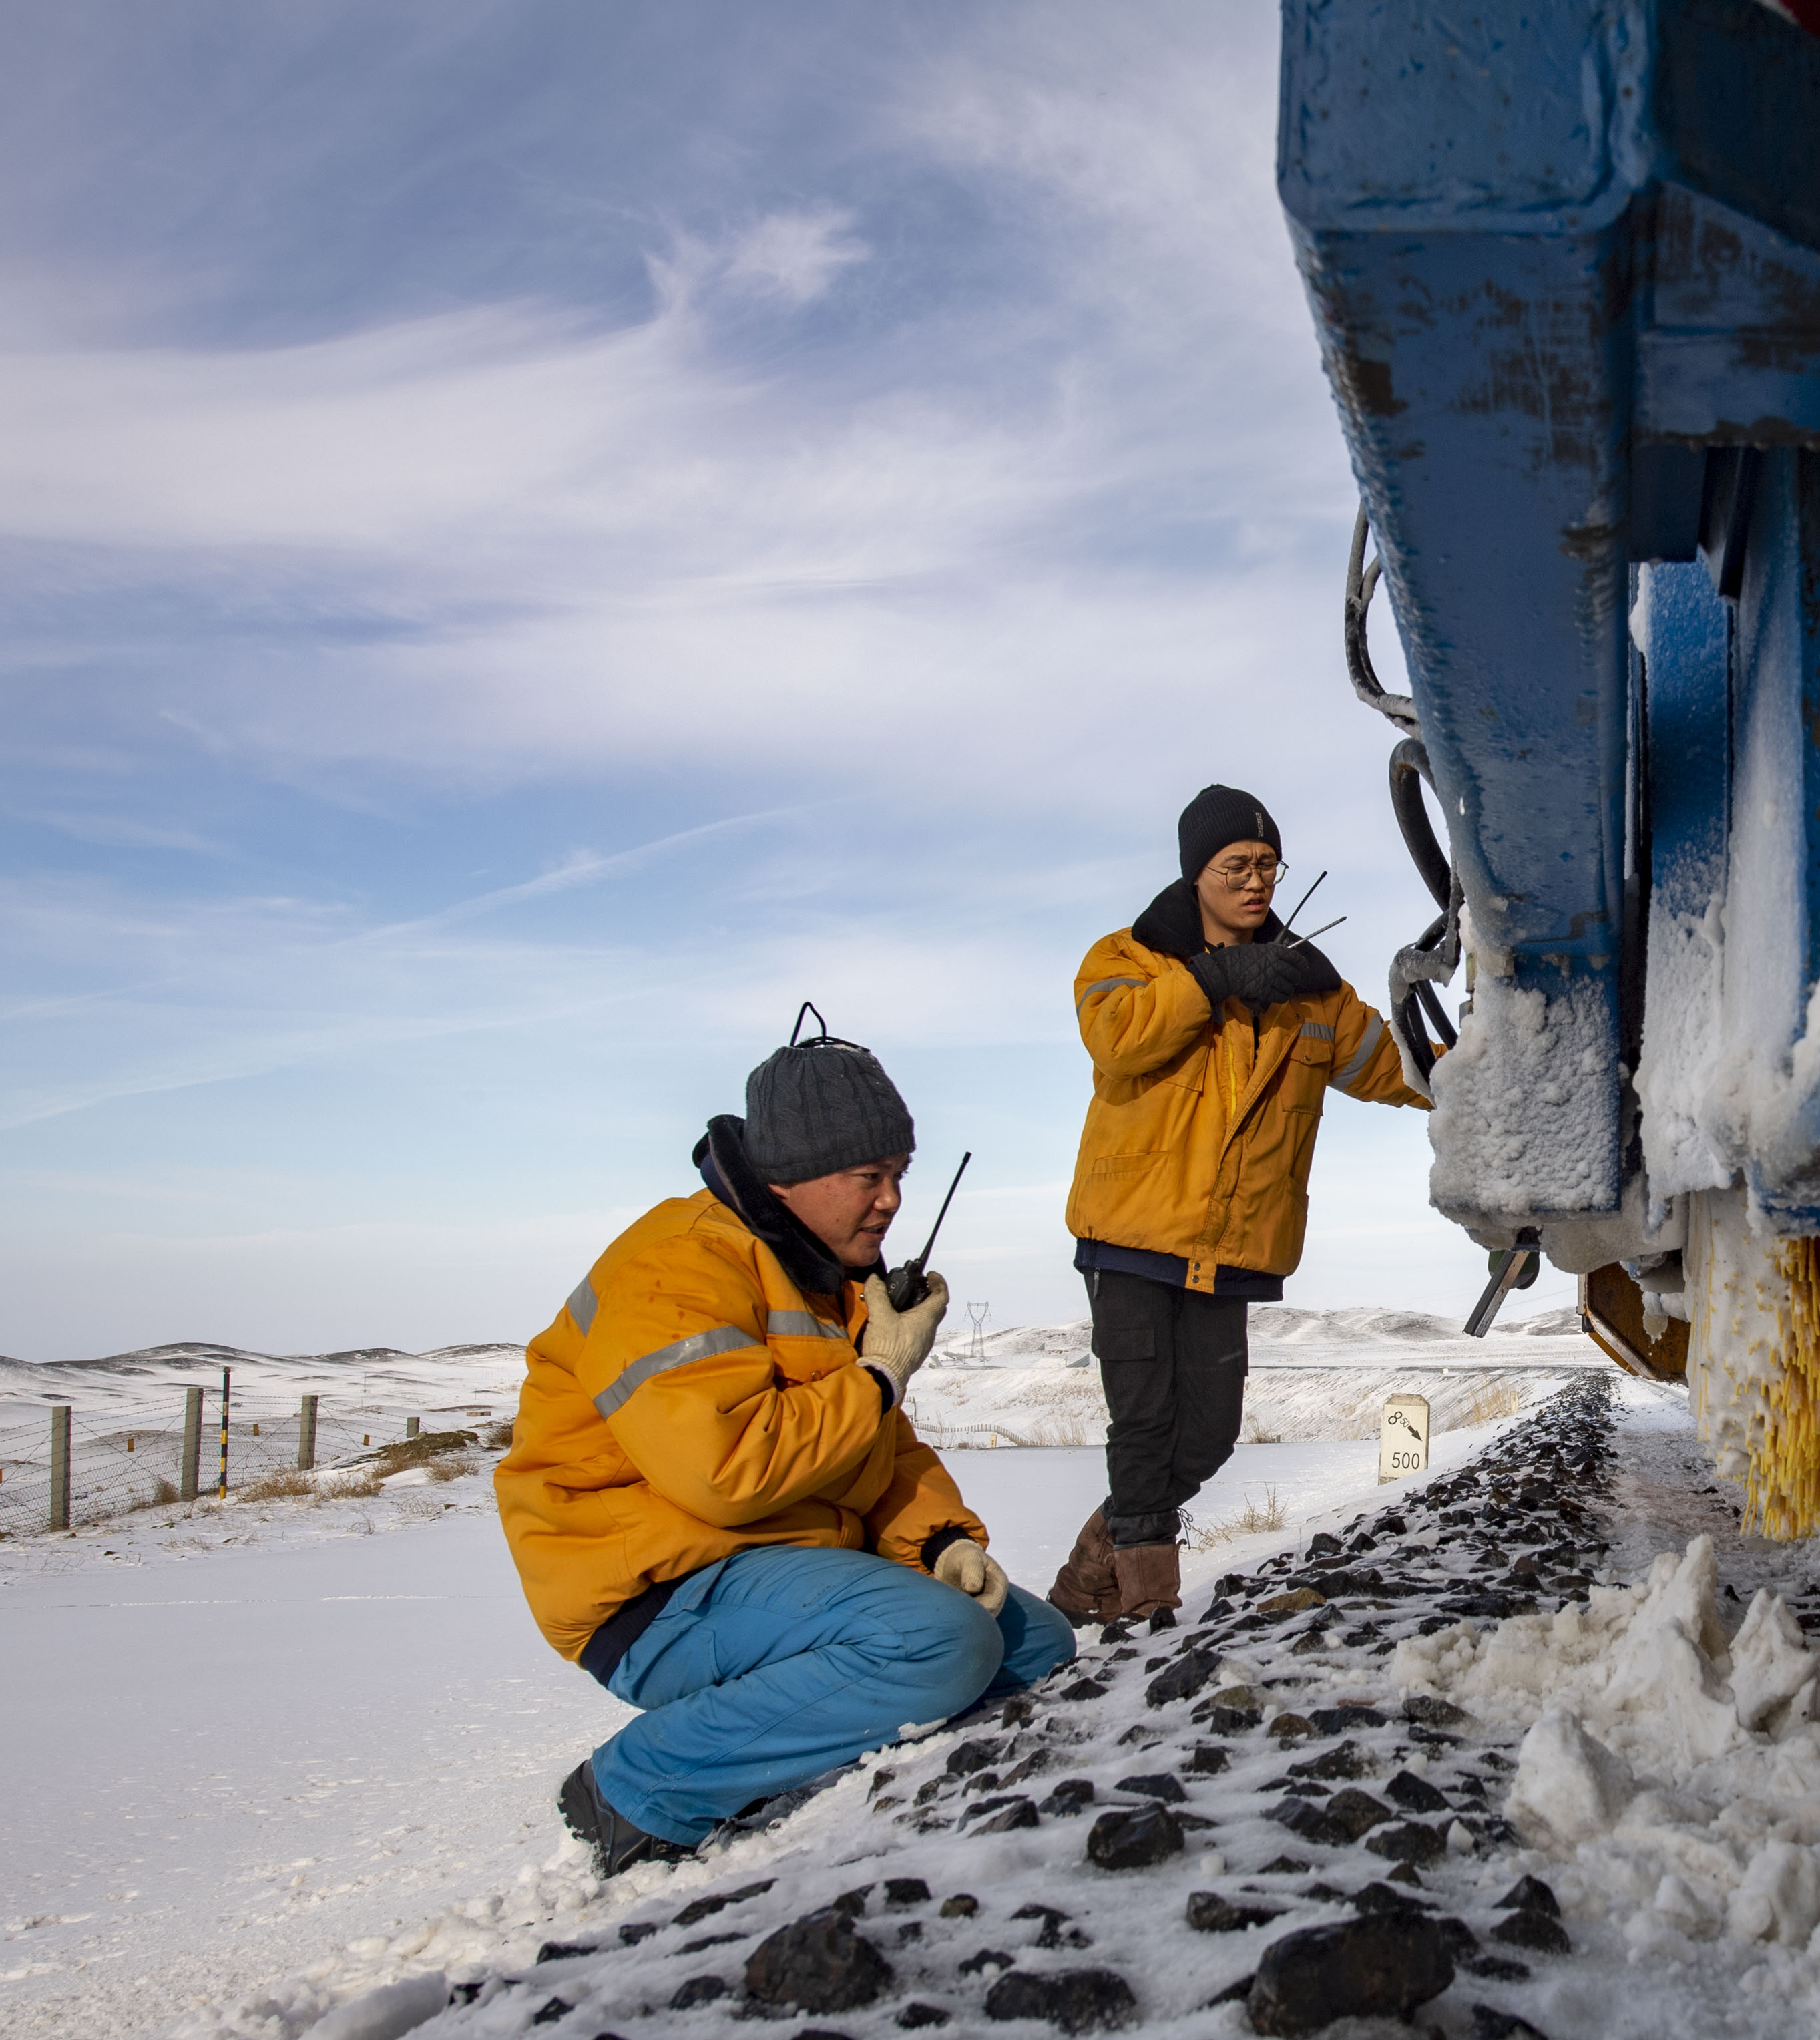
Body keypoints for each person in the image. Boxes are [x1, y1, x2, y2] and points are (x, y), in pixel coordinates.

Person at [497, 1015, 1075, 1874]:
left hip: (777, 1566)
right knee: (939, 1644)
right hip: (656, 1590)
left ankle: (822, 1764)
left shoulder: (823, 1278)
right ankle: (638, 1788)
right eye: (868, 1175)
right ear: (791, 1177)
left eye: (900, 1174)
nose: (891, 1200)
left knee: (1034, 1644)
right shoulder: (678, 1265)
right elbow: (725, 1474)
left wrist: (942, 1540)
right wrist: (878, 1373)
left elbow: (876, 1448)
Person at [1046, 785, 1429, 1623]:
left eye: (1267, 865)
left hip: (1235, 1247)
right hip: (1132, 1237)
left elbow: (1396, 1065)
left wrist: (1486, 1074)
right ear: (1197, 874)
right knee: (1144, 1426)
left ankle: (1086, 1575)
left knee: (1210, 1436)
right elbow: (1119, 1039)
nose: (1256, 882)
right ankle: (1145, 1611)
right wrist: (1214, 977)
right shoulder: (1125, 960)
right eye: (1236, 866)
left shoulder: (1311, 990)